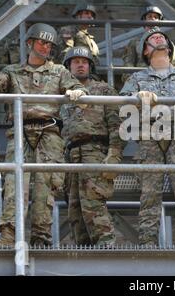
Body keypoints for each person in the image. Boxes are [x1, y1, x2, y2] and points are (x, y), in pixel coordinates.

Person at [0, 23, 88, 247]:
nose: (46, 47)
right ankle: (8, 236)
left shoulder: (59, 71)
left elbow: (78, 88)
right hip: (19, 132)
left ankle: (41, 238)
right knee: (15, 183)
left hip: (49, 133)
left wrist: (77, 91)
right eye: (41, 42)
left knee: (45, 186)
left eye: (49, 44)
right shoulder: (13, 71)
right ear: (29, 43)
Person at [120, 27, 175, 246]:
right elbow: (122, 101)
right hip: (149, 135)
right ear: (145, 51)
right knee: (150, 189)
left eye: (161, 37)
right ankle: (148, 240)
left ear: (169, 48)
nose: (158, 37)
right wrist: (136, 96)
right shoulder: (138, 77)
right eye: (152, 38)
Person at [60, 46, 124, 246]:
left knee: (93, 204)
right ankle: (84, 256)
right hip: (70, 154)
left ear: (90, 66)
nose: (80, 65)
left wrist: (114, 153)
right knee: (75, 211)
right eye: (75, 61)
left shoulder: (103, 90)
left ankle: (107, 249)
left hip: (94, 150)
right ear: (68, 66)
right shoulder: (62, 95)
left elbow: (117, 124)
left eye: (84, 62)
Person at [121, 6, 175, 84]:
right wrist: (134, 84)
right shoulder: (135, 43)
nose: (153, 19)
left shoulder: (168, 43)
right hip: (143, 80)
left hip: (165, 80)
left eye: (156, 17)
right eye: (149, 17)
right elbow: (128, 67)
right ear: (144, 21)